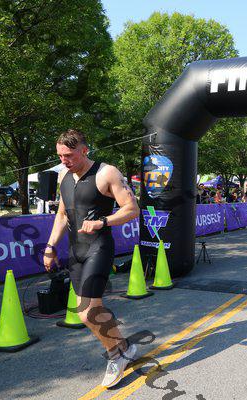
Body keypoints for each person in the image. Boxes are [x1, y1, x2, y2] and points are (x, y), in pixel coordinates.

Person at [43, 129, 140, 388]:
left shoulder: (107, 173)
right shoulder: (63, 175)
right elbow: (62, 215)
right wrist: (50, 247)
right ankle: (124, 346)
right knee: (87, 311)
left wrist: (103, 221)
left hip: (99, 247)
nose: (64, 160)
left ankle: (116, 356)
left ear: (84, 150)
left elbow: (132, 209)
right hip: (75, 251)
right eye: (60, 155)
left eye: (69, 155)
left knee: (88, 313)